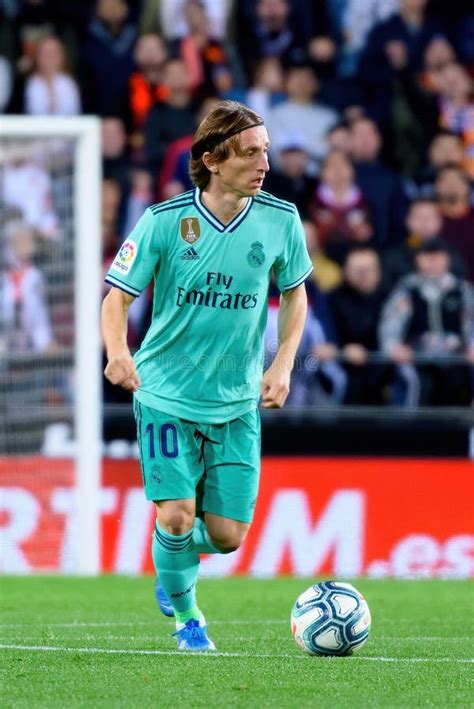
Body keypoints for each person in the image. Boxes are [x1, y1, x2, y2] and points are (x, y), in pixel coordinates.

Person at [101, 100, 312, 650]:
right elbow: (116, 300)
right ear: (213, 158)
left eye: (265, 149)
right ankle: (188, 618)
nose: (264, 162)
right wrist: (118, 352)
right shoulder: (165, 221)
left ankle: (169, 556)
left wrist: (283, 361)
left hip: (237, 398)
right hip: (166, 390)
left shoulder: (281, 219)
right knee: (176, 516)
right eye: (250, 151)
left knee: (226, 537)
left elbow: (295, 294)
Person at [379, 238, 474, 406]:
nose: (432, 261)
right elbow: (391, 322)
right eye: (426, 256)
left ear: (447, 259)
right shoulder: (408, 289)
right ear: (417, 259)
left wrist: (472, 345)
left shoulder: (461, 289)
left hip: (456, 358)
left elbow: (470, 321)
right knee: (412, 385)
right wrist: (393, 346)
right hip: (418, 358)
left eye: (437, 256)